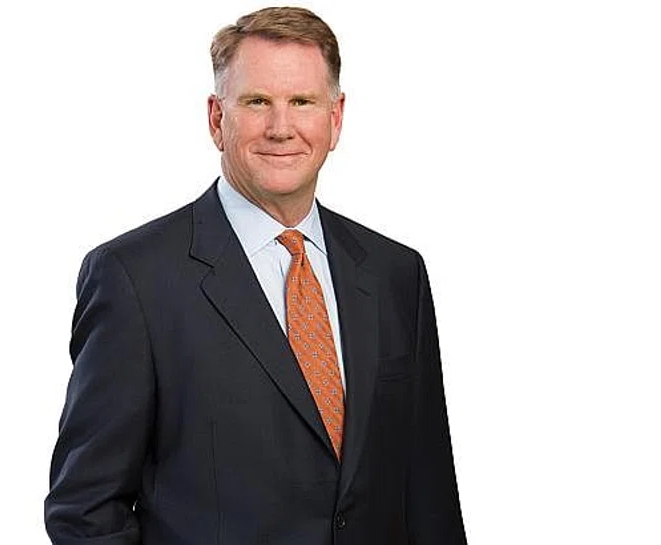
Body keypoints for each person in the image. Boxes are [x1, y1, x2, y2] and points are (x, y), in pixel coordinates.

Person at [45, 7, 466, 545]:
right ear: (217, 119)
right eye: (257, 102)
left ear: (335, 118)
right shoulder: (134, 280)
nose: (281, 128)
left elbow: (429, 497)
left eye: (302, 102)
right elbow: (84, 513)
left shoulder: (395, 274)